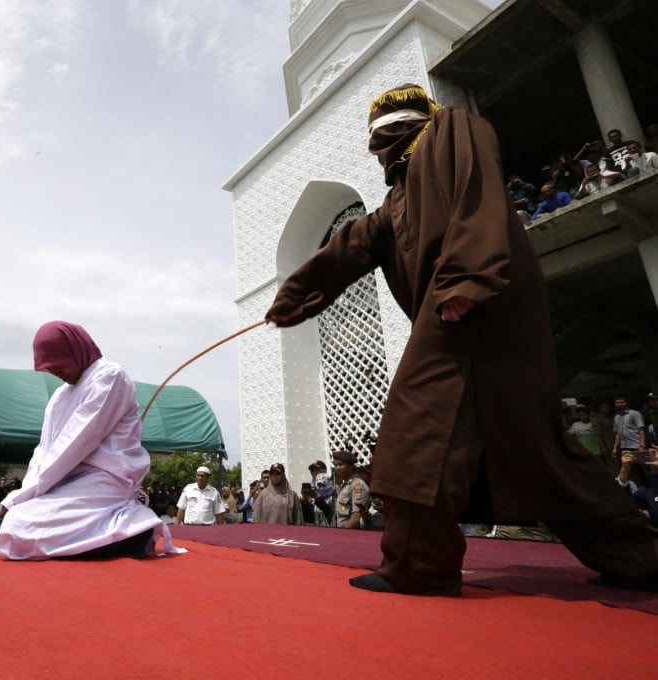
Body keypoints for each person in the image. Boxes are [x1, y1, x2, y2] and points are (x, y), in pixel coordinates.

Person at [265, 84, 658, 595]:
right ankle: (640, 556)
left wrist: (465, 279)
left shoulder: (449, 130)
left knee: (414, 427)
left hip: (473, 305)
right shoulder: (396, 203)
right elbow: (353, 244)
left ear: (402, 126)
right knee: (539, 455)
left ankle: (418, 565)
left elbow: (478, 194)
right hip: (474, 314)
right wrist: (297, 297)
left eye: (381, 134)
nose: (375, 145)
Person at [0, 321, 165, 559]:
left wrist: (21, 497)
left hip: (105, 482)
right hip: (65, 481)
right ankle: (118, 533)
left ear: (73, 350)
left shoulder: (109, 377)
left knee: (9, 532)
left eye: (58, 364)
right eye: (49, 369)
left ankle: (135, 533)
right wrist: (23, 494)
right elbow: (44, 450)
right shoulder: (60, 396)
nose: (55, 373)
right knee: (6, 527)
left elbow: (74, 444)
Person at [330, 451, 369, 529]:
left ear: (351, 466)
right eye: (335, 465)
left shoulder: (357, 485)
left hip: (350, 534)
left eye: (341, 464)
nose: (337, 468)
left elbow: (357, 516)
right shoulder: (346, 485)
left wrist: (343, 535)